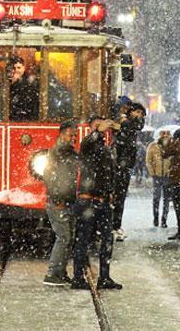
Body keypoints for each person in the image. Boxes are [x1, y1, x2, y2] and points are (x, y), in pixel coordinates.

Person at [71, 116, 122, 290]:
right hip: (88, 201)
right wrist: (97, 131)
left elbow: (110, 172)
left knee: (107, 240)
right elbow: (85, 143)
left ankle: (105, 277)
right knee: (83, 240)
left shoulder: (104, 147)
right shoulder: (89, 145)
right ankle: (78, 277)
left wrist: (111, 192)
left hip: (103, 201)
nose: (103, 128)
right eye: (98, 125)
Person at [42, 122, 79, 286]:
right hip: (59, 202)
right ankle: (53, 273)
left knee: (68, 237)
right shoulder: (57, 153)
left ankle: (61, 272)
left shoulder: (68, 152)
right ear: (61, 135)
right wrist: (57, 199)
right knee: (64, 237)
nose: (73, 138)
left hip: (67, 200)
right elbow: (50, 176)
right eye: (70, 135)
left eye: (74, 135)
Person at [112, 102, 146, 241]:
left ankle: (115, 226)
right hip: (118, 165)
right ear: (131, 112)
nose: (140, 116)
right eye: (138, 113)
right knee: (117, 197)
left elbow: (137, 125)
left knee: (120, 198)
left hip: (124, 165)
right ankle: (113, 226)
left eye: (142, 114)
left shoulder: (129, 124)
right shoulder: (124, 123)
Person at [147, 130, 171, 228]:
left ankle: (164, 219)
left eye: (167, 134)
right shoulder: (153, 145)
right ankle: (156, 218)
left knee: (166, 199)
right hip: (157, 175)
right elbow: (148, 160)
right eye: (163, 133)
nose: (165, 135)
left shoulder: (171, 146)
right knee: (156, 198)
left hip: (167, 176)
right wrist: (152, 173)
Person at [9, 56, 40, 121]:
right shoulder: (6, 82)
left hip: (24, 119)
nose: (16, 70)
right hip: (11, 118)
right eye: (14, 68)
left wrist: (15, 84)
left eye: (19, 68)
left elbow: (28, 102)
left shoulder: (30, 82)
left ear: (24, 68)